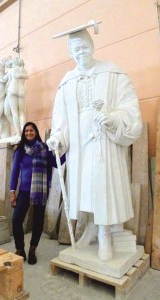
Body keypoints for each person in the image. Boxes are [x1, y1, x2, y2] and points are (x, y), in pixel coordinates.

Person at [47, 21, 142, 261]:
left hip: (104, 143)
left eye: (84, 47)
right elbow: (62, 120)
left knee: (102, 187)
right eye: (75, 49)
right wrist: (58, 137)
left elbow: (130, 108)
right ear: (70, 53)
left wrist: (113, 119)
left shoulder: (113, 73)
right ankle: (90, 228)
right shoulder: (67, 81)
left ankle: (105, 234)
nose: (80, 52)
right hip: (79, 145)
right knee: (84, 188)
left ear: (92, 45)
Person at [10, 121, 65, 264]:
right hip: (24, 191)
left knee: (38, 222)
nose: (29, 133)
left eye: (31, 130)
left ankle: (33, 249)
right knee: (16, 220)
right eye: (26, 130)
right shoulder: (20, 150)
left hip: (40, 192)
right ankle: (20, 249)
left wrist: (65, 150)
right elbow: (15, 172)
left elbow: (55, 163)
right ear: (24, 133)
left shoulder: (44, 149)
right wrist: (12, 192)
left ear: (36, 132)